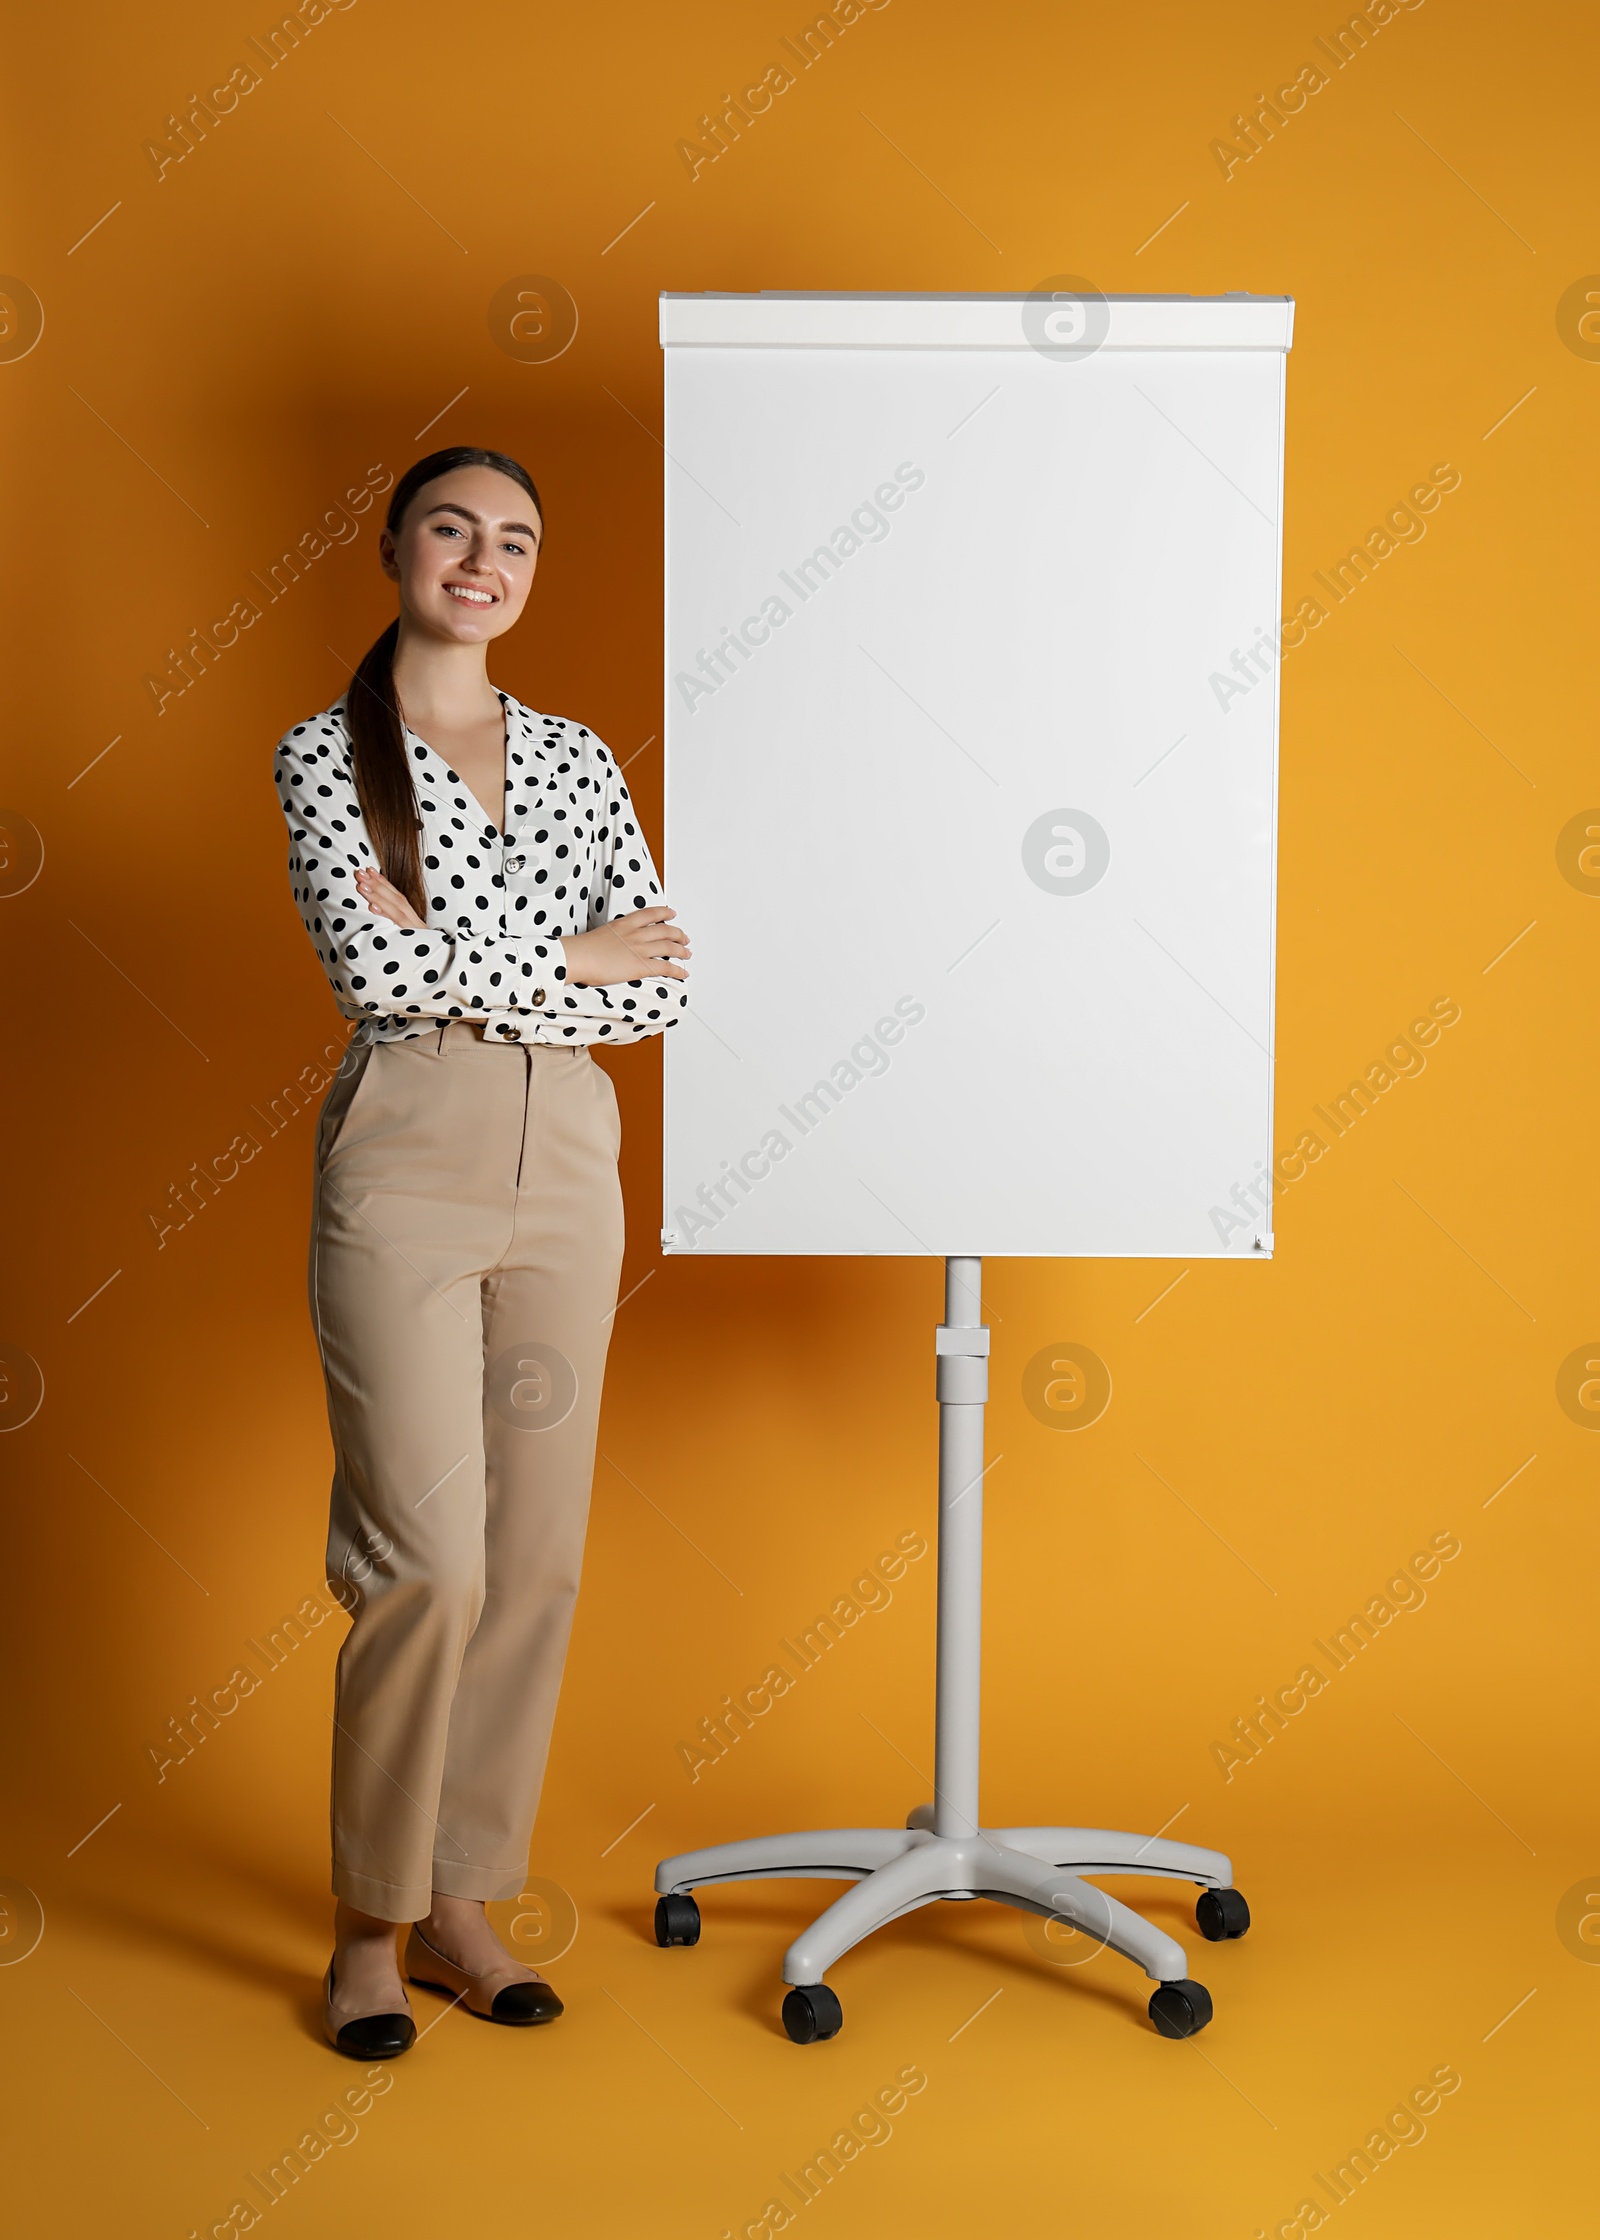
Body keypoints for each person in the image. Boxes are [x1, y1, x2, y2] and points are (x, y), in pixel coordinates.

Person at [272, 444, 690, 2057]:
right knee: (424, 1562)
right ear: (394, 546)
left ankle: (465, 1897)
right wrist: (563, 949)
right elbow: (370, 967)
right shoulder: (329, 754)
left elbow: (651, 989)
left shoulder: (580, 759)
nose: (484, 556)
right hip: (412, 1147)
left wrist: (508, 952)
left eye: (516, 536)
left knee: (536, 1558)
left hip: (570, 1156)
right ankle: (366, 1929)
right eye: (453, 525)